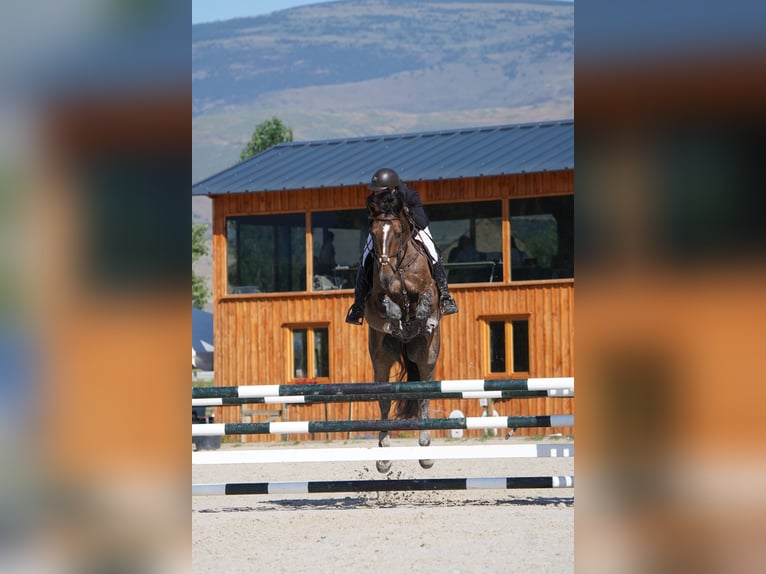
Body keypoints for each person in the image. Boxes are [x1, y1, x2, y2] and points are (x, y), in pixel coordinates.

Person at [345, 167, 458, 325]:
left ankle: (445, 296)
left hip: (413, 229)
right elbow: (372, 220)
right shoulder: (374, 200)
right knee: (364, 259)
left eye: (379, 191)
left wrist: (406, 212)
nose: (375, 194)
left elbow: (422, 221)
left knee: (432, 253)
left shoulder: (410, 195)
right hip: (385, 233)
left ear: (391, 189)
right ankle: (358, 305)